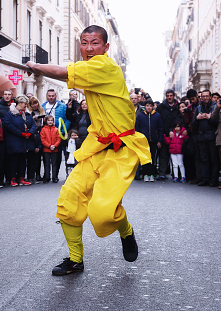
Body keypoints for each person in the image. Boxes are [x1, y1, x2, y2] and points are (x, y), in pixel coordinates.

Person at [26, 25, 151, 275]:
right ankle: (75, 260)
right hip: (97, 146)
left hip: (120, 149)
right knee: (68, 202)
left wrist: (36, 67)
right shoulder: (90, 70)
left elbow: (63, 72)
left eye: (95, 43)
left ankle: (126, 232)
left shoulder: (104, 66)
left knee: (103, 213)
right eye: (84, 43)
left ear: (106, 47)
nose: (89, 48)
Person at [4, 95, 36, 186]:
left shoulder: (27, 114)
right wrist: (20, 133)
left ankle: (22, 177)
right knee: (14, 160)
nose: (26, 106)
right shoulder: (10, 113)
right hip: (14, 140)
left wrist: (30, 132)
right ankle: (12, 178)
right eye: (25, 104)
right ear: (20, 103)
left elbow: (33, 124)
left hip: (25, 141)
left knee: (23, 160)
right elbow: (8, 125)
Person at [193, 89, 219, 187]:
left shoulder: (215, 107)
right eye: (203, 96)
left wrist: (209, 118)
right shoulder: (198, 108)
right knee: (203, 159)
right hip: (201, 137)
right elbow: (194, 124)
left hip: (212, 136)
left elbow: (217, 122)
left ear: (210, 97)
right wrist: (197, 118)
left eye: (207, 96)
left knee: (213, 159)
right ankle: (205, 179)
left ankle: (214, 180)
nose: (205, 98)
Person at [135, 99, 163, 182]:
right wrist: (138, 140)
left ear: (153, 107)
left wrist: (160, 140)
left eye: (150, 106)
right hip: (143, 141)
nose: (149, 107)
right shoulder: (140, 116)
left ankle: (151, 174)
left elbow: (160, 129)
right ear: (145, 107)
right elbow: (137, 129)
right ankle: (145, 174)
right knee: (145, 159)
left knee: (153, 158)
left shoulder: (157, 116)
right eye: (147, 106)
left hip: (154, 140)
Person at [155, 89, 180, 180]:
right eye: (168, 96)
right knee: (163, 154)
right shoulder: (161, 107)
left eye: (171, 95)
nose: (169, 97)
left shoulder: (178, 106)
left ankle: (176, 175)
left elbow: (179, 119)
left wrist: (173, 130)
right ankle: (162, 173)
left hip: (176, 134)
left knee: (176, 155)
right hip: (164, 134)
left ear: (174, 96)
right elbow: (158, 120)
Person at [27, 96, 45, 183]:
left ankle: (38, 174)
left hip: (40, 134)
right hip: (32, 135)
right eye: (32, 104)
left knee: (38, 157)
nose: (34, 105)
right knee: (31, 157)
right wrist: (32, 119)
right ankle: (31, 175)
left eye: (35, 103)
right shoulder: (29, 113)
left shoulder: (41, 111)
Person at [40, 115, 61, 183]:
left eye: (51, 120)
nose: (50, 122)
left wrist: (54, 146)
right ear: (46, 121)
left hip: (54, 149)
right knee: (47, 164)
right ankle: (47, 177)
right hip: (46, 149)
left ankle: (54, 177)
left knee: (54, 163)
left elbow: (58, 139)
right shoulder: (43, 129)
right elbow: (42, 139)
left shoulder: (56, 129)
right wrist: (49, 146)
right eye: (49, 120)